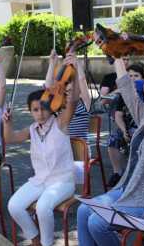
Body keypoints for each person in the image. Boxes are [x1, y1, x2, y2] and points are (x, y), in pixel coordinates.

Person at [77, 36, 144, 246]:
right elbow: (127, 89)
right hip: (127, 189)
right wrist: (116, 52)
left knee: (97, 222)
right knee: (84, 210)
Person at [4, 52, 80, 246]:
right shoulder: (32, 129)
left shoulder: (61, 122)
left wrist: (76, 71)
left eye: (43, 108)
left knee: (43, 206)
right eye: (35, 110)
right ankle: (36, 240)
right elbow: (10, 138)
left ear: (51, 107)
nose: (40, 113)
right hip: (41, 180)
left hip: (63, 180)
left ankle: (46, 244)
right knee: (14, 205)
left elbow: (73, 100)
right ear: (30, 112)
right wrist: (8, 122)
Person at [45, 49, 91, 194]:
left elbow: (82, 81)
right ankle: (50, 197)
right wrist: (52, 63)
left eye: (72, 91)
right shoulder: (59, 107)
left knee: (77, 170)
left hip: (79, 151)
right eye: (66, 91)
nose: (69, 94)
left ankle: (85, 196)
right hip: (62, 150)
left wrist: (77, 64)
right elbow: (49, 86)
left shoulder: (84, 103)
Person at [106, 62, 144, 188]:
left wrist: (140, 130)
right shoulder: (125, 95)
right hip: (128, 128)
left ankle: (137, 174)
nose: (133, 79)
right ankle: (117, 173)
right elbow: (118, 115)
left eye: (136, 76)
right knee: (112, 140)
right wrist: (124, 131)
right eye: (130, 76)